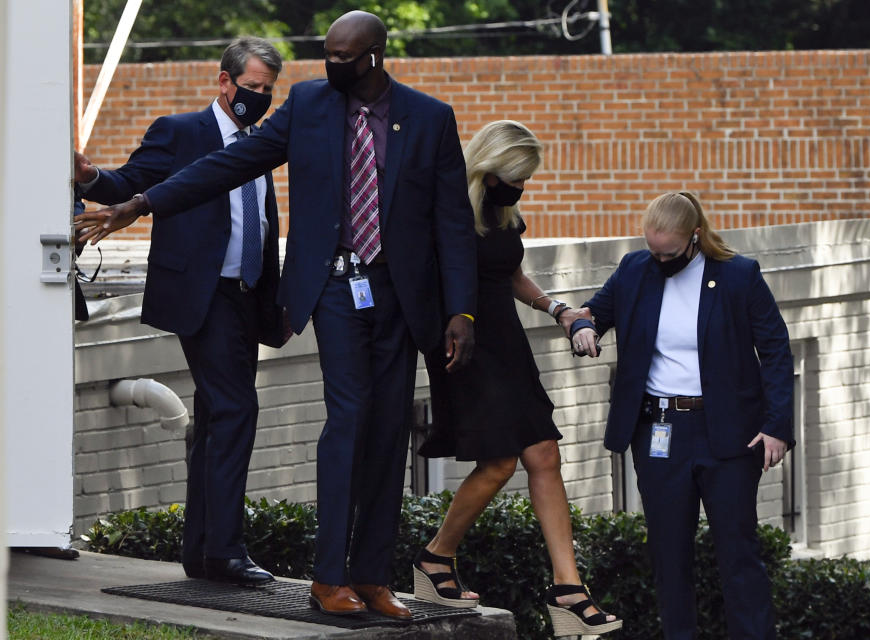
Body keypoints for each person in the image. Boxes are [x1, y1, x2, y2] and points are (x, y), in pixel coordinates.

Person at [75, 11, 477, 621]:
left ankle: (372, 577)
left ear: (372, 56)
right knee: (346, 420)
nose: (330, 67)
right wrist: (139, 202)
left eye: (343, 58)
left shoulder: (428, 117)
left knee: (390, 429)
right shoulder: (309, 105)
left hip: (401, 297)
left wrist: (462, 310)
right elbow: (226, 166)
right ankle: (328, 579)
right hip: (336, 292)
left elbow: (452, 222)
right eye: (325, 55)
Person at [73, 37, 287, 585]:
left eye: (267, 90)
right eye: (251, 87)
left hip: (246, 295)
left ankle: (202, 553)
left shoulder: (259, 143)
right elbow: (129, 183)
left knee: (218, 419)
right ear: (224, 81)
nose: (258, 97)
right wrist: (90, 178)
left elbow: (259, 223)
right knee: (237, 411)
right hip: (203, 295)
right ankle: (226, 551)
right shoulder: (181, 132)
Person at [413, 120, 622, 637]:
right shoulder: (447, 206)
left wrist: (559, 309)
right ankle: (435, 558)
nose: (521, 187)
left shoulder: (504, 212)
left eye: (526, 178)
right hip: (463, 345)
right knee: (501, 461)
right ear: (488, 167)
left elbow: (510, 275)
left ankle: (568, 592)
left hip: (507, 342)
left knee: (544, 453)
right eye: (515, 176)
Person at [566, 192, 794, 639]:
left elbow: (776, 351)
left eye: (668, 253)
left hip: (728, 435)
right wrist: (582, 328)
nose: (660, 259)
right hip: (659, 431)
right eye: (653, 250)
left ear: (694, 236)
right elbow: (593, 311)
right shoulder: (635, 269)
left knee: (738, 553)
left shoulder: (738, 276)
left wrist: (777, 427)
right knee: (669, 557)